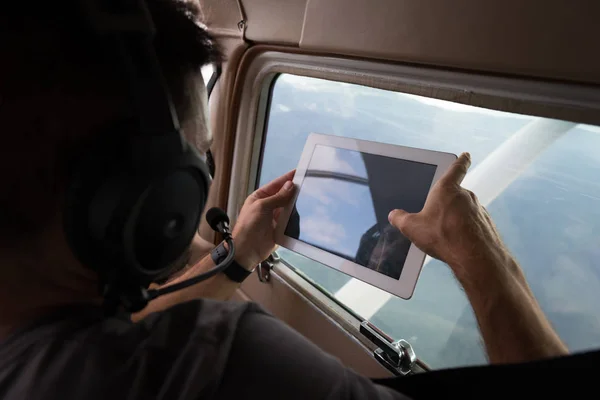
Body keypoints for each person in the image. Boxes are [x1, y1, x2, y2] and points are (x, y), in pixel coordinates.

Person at [0, 1, 597, 400]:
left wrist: (238, 256)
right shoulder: (211, 364)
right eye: (198, 163)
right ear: (151, 201)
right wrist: (484, 257)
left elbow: (117, 328)